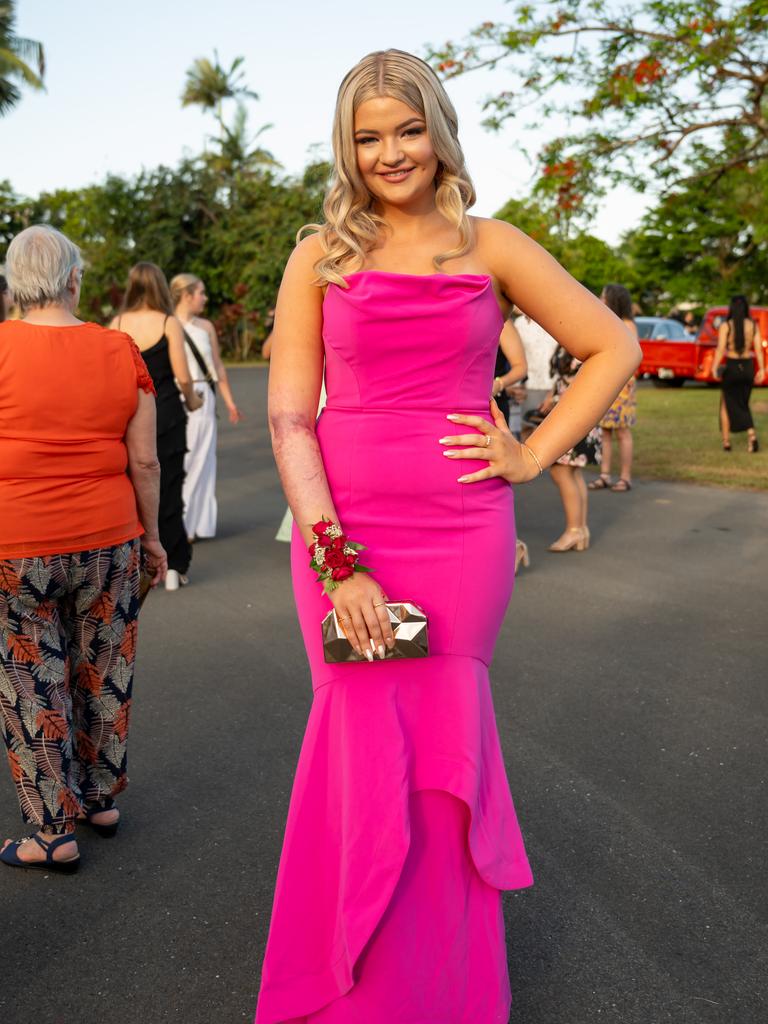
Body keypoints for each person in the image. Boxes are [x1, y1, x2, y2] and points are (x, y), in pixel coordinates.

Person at [257, 49, 640, 1024]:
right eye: (368, 135)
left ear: (440, 129)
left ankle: (443, 996)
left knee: (440, 756)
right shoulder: (321, 254)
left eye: (408, 128)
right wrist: (338, 562)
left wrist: (532, 452)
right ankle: (349, 990)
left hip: (460, 539)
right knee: (358, 741)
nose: (391, 153)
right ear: (347, 147)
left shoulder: (492, 245)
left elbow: (614, 346)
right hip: (347, 543)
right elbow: (291, 422)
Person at [0, 226, 167, 873]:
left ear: (15, 285)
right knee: (103, 669)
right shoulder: (119, 348)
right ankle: (98, 797)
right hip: (108, 539)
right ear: (75, 280)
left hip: (17, 544)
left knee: (31, 680)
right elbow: (145, 461)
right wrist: (152, 539)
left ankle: (50, 829)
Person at [110, 264, 202, 590]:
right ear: (161, 287)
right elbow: (183, 375)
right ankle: (174, 566)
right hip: (166, 414)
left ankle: (135, 564)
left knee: (132, 489)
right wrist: (193, 401)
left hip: (128, 414)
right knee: (170, 487)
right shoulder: (169, 323)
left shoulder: (116, 324)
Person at [170, 273, 243, 542]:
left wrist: (229, 401)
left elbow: (217, 365)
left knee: (203, 458)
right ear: (187, 295)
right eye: (201, 293)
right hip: (178, 396)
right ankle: (180, 523)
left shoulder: (206, 326)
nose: (205, 298)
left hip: (205, 394)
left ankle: (198, 524)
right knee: (184, 460)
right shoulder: (169, 324)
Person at [541, 346, 603, 552]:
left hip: (574, 417)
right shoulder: (572, 341)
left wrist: (557, 400)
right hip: (575, 415)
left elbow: (579, 383)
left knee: (561, 471)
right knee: (573, 473)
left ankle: (574, 530)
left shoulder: (583, 344)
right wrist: (552, 395)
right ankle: (580, 528)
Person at [589, 283, 639, 492]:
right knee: (605, 432)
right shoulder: (607, 321)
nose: (601, 300)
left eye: (603, 297)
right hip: (607, 381)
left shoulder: (628, 324)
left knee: (622, 432)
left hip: (623, 383)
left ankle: (625, 477)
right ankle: (605, 475)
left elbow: (633, 357)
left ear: (614, 300)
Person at [712, 295, 765, 452]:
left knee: (726, 404)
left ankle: (728, 442)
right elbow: (758, 350)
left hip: (732, 367)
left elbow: (721, 349)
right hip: (748, 367)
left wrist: (714, 367)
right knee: (742, 403)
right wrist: (761, 369)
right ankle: (751, 438)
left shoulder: (726, 326)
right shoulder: (753, 325)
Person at [515, 309, 558, 429]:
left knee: (554, 432)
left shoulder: (558, 321)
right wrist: (517, 386)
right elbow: (516, 357)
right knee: (528, 430)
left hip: (557, 388)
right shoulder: (520, 323)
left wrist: (554, 394)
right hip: (529, 387)